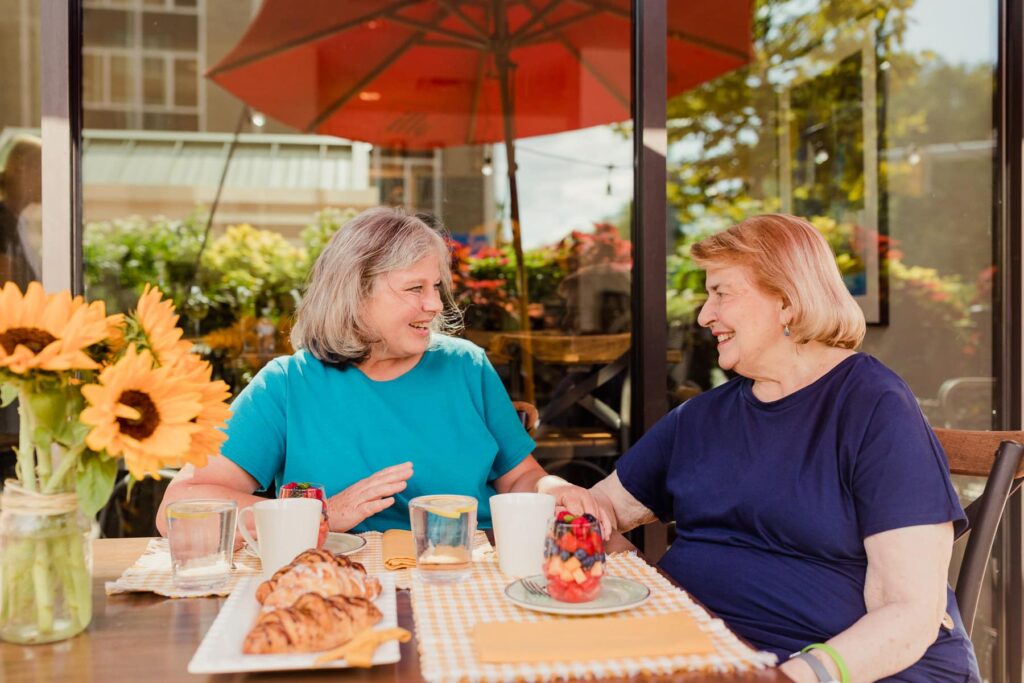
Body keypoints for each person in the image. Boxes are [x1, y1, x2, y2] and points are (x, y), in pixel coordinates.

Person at [559, 214, 979, 682]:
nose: (703, 315)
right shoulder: (701, 418)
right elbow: (602, 508)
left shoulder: (872, 405)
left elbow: (909, 611)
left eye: (721, 293)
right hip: (708, 656)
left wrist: (789, 677)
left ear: (787, 301)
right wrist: (576, 506)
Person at [157, 207, 606, 537]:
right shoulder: (287, 385)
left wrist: (555, 489)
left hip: (467, 573)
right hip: (340, 587)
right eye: (415, 288)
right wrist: (321, 515)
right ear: (354, 295)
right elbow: (179, 507)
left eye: (436, 287)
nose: (434, 304)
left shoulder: (466, 365)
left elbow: (521, 477)